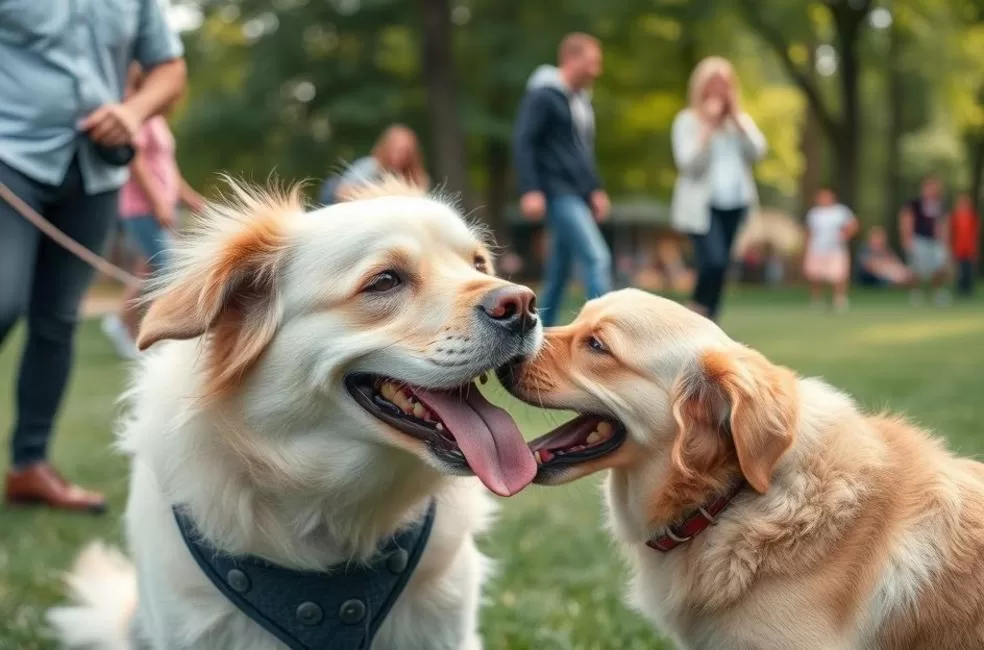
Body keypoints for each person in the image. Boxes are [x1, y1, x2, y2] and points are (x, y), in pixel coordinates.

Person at [0, 1, 186, 512]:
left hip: (95, 172)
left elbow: (169, 69)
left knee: (58, 320)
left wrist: (131, 112)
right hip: (9, 159)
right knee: (2, 301)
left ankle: (29, 467)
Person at [101, 64, 205, 360]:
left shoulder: (155, 117)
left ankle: (121, 322)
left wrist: (189, 198)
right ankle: (153, 331)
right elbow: (135, 163)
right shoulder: (133, 109)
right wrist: (158, 201)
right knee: (169, 270)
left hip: (160, 204)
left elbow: (167, 168)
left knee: (148, 272)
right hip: (140, 207)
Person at [513, 32, 612, 326]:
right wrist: (530, 188)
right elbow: (524, 141)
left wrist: (594, 189)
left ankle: (540, 331)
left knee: (558, 272)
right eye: (592, 62)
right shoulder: (543, 96)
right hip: (558, 192)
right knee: (597, 258)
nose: (597, 70)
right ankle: (605, 330)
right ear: (571, 59)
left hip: (576, 192)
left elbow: (580, 154)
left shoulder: (580, 103)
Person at [671, 56, 767, 322]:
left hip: (735, 203)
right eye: (714, 83)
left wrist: (737, 120)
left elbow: (758, 151)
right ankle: (695, 314)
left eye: (725, 84)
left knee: (722, 266)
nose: (720, 90)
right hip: (701, 207)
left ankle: (710, 321)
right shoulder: (687, 121)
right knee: (711, 262)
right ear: (702, 87)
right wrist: (708, 129)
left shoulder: (739, 122)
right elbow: (688, 164)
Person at [321, 124, 429, 204]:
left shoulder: (417, 178)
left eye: (404, 151)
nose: (398, 155)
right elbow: (342, 192)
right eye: (394, 149)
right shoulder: (370, 166)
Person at [802, 187, 859, 311]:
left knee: (838, 274)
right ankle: (816, 300)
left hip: (836, 249)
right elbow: (808, 231)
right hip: (817, 248)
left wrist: (844, 236)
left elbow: (853, 225)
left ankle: (839, 299)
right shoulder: (814, 213)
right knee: (815, 275)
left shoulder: (840, 211)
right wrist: (806, 248)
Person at [900, 174, 950, 305]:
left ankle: (937, 292)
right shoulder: (915, 203)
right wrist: (907, 238)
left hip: (936, 241)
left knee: (939, 267)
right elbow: (906, 219)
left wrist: (945, 241)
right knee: (916, 268)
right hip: (918, 239)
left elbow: (943, 223)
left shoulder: (940, 204)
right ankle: (916, 293)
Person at [949, 193, 979, 297]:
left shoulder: (972, 216)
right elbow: (952, 232)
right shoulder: (955, 216)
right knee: (959, 271)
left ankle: (968, 290)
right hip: (958, 248)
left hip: (969, 249)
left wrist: (975, 250)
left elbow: (975, 233)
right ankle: (959, 290)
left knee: (969, 271)